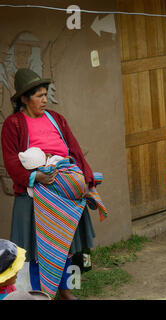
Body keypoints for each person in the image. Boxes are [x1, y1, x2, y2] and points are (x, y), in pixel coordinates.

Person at [1, 68, 98, 300]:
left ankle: (63, 290)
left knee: (61, 245)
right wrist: (36, 178)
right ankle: (41, 295)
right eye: (39, 96)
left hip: (63, 192)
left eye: (46, 94)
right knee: (36, 250)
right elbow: (11, 161)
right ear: (24, 98)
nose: (45, 100)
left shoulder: (57, 119)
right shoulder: (13, 124)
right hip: (34, 195)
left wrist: (86, 179)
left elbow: (74, 149)